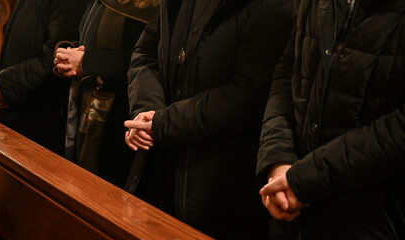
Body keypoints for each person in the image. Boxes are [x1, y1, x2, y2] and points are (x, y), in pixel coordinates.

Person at [124, 0, 296, 238]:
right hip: (159, 169)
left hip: (218, 189)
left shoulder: (272, 5)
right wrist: (146, 111)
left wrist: (165, 122)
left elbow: (248, 95)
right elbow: (145, 55)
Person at [257, 0, 405, 239]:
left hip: (369, 220)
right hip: (293, 212)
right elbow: (288, 73)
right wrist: (278, 161)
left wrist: (305, 179)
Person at [53, 0, 156, 187]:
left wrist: (89, 62)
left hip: (122, 115)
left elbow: (148, 63)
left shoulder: (157, 7)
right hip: (87, 103)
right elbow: (89, 37)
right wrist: (71, 55)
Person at [0, 0, 87, 156]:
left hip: (41, 117)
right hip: (17, 104)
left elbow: (54, 59)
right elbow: (21, 42)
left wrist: (6, 84)